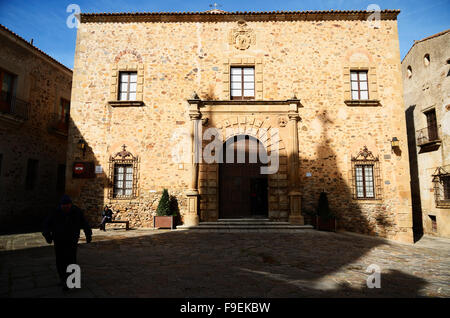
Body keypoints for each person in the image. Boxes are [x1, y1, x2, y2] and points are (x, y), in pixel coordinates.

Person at [42, 195, 92, 291]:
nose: (66, 207)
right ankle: (63, 279)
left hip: (71, 240)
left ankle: (73, 282)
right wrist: (47, 236)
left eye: (68, 205)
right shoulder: (55, 212)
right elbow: (46, 225)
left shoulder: (77, 212)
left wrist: (88, 235)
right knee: (60, 260)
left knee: (71, 259)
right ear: (61, 205)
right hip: (59, 240)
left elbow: (84, 223)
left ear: (70, 204)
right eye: (64, 205)